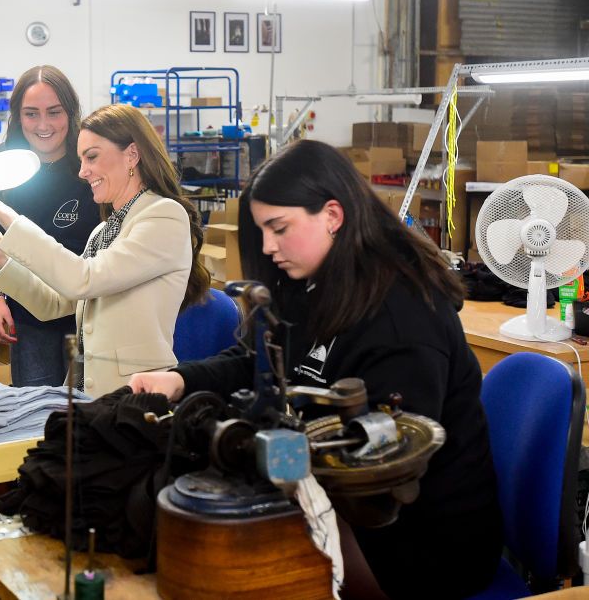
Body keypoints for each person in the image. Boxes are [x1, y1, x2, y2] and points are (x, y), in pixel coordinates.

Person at [129, 140, 503, 599]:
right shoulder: (315, 284)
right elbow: (259, 362)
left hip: (421, 545)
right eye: (262, 230)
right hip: (348, 510)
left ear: (332, 215)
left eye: (279, 228)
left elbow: (381, 468)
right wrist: (181, 379)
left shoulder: (403, 318)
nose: (267, 247)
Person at [0, 103, 211, 397]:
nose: (82, 171)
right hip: (88, 394)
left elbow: (84, 278)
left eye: (91, 157)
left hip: (136, 398)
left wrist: (8, 217)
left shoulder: (163, 216)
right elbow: (54, 302)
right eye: (81, 159)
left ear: (132, 154)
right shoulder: (104, 231)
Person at [0, 66, 99, 387]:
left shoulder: (88, 163)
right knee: (38, 413)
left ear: (70, 112)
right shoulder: (2, 164)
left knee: (91, 407)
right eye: (31, 114)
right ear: (18, 117)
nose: (44, 125)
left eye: (54, 112)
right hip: (28, 313)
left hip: (87, 310)